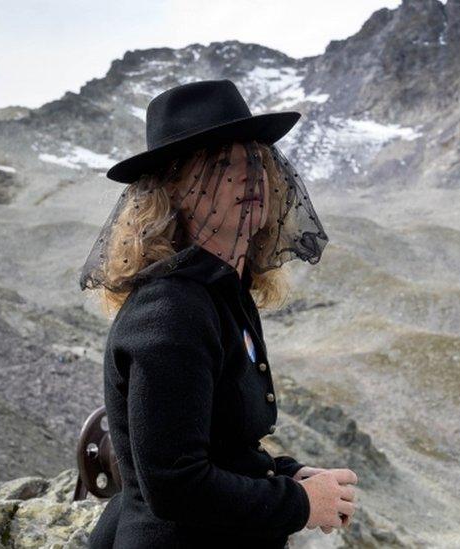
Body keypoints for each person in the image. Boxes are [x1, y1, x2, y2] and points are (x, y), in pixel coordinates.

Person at [78, 80, 357, 548]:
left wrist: (290, 474)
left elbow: (220, 445)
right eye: (219, 164)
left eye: (254, 160)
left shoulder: (218, 292)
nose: (247, 175)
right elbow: (175, 484)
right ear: (174, 191)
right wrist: (301, 502)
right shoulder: (171, 312)